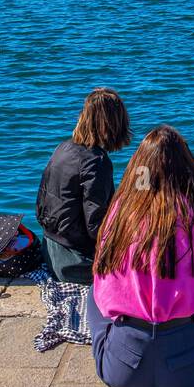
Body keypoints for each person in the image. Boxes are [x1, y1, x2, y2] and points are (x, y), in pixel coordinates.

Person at [87, 125, 194, 387]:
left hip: (123, 371)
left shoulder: (121, 211)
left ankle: (109, 346)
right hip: (191, 373)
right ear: (187, 167)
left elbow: (105, 297)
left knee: (91, 297)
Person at [36, 88, 131, 284]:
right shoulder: (96, 162)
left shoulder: (63, 147)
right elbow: (96, 227)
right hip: (74, 262)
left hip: (50, 249)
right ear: (114, 123)